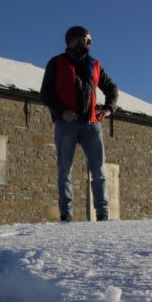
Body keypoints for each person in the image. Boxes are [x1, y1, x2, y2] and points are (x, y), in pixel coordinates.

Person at [40, 25, 119, 222]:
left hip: (91, 124)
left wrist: (108, 108)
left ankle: (102, 213)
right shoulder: (56, 63)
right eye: (87, 39)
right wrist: (62, 112)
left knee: (98, 170)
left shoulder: (95, 65)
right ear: (74, 40)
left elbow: (112, 89)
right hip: (66, 124)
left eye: (91, 40)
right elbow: (46, 93)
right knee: (65, 170)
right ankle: (66, 214)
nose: (90, 43)